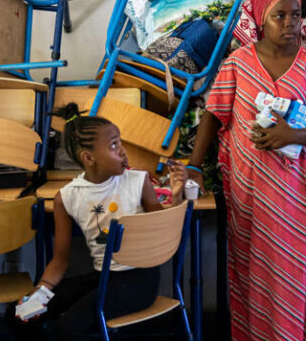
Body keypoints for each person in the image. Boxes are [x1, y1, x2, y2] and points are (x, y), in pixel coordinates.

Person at [187, 0, 306, 341]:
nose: (290, 23)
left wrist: (293, 136)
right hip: (251, 194)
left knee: (295, 271)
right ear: (262, 19)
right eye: (280, 15)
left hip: (297, 196)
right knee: (255, 271)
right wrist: (193, 166)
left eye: (296, 15)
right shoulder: (238, 64)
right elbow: (213, 116)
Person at [16, 102, 186, 340]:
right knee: (26, 314)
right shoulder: (66, 197)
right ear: (88, 158)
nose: (124, 151)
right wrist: (40, 291)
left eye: (120, 142)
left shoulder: (138, 181)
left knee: (69, 327)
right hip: (103, 276)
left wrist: (177, 196)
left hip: (140, 280)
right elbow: (60, 260)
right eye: (114, 145)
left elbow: (162, 230)